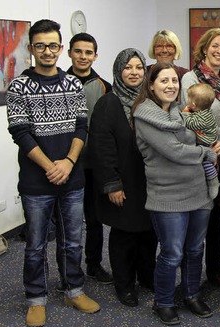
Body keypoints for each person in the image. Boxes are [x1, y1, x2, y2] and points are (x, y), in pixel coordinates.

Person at [6, 19, 100, 327]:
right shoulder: (19, 86)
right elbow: (20, 132)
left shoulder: (72, 83)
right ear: (32, 48)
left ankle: (73, 289)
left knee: (72, 240)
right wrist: (51, 166)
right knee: (35, 244)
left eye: (53, 45)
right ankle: (36, 298)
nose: (48, 51)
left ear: (61, 48)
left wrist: (69, 163)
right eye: (41, 45)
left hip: (71, 178)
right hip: (37, 182)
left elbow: (81, 126)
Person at [133, 62, 216, 325]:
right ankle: (164, 302)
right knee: (172, 253)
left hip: (198, 192)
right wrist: (206, 152)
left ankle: (191, 294)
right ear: (151, 85)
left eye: (174, 81)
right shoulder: (144, 116)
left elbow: (202, 134)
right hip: (167, 196)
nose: (170, 86)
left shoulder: (182, 112)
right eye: (164, 81)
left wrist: (216, 139)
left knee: (195, 249)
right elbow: (175, 151)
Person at [88, 48, 156, 307]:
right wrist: (112, 184)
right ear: (118, 70)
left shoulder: (151, 100)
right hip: (123, 182)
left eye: (139, 67)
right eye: (128, 67)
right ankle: (125, 285)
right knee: (125, 235)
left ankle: (147, 277)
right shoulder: (109, 102)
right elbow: (100, 147)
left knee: (149, 233)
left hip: (150, 181)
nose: (134, 72)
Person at [181, 28, 220, 290]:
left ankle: (214, 268)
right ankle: (189, 274)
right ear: (204, 48)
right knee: (197, 217)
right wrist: (210, 143)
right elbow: (186, 116)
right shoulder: (191, 79)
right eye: (215, 46)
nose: (219, 51)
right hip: (201, 155)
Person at [66, 32, 113, 285]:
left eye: (88, 52)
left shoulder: (105, 87)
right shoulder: (58, 82)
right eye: (78, 51)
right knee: (69, 221)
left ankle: (93, 264)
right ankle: (68, 270)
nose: (83, 56)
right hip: (67, 165)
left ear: (95, 55)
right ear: (69, 52)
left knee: (94, 219)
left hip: (95, 166)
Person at [182, 83, 220, 201]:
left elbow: (189, 123)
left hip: (207, 145)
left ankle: (213, 180)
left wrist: (185, 112)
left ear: (193, 104)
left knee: (207, 164)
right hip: (204, 143)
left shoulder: (204, 117)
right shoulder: (203, 112)